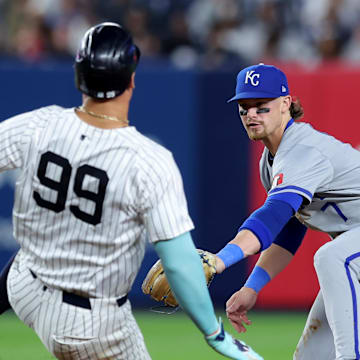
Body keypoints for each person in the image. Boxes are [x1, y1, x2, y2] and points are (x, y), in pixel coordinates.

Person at [1, 22, 263, 360]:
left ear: (79, 75)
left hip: (24, 285)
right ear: (132, 79)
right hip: (87, 322)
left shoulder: (41, 124)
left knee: (33, 254)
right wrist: (216, 335)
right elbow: (181, 264)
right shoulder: (147, 160)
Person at [214, 63, 360, 360]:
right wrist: (252, 287)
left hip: (351, 251)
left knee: (333, 256)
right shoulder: (271, 162)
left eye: (261, 106)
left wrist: (220, 260)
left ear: (285, 104)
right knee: (310, 356)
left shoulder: (304, 151)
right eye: (244, 107)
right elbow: (289, 230)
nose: (251, 114)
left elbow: (272, 217)